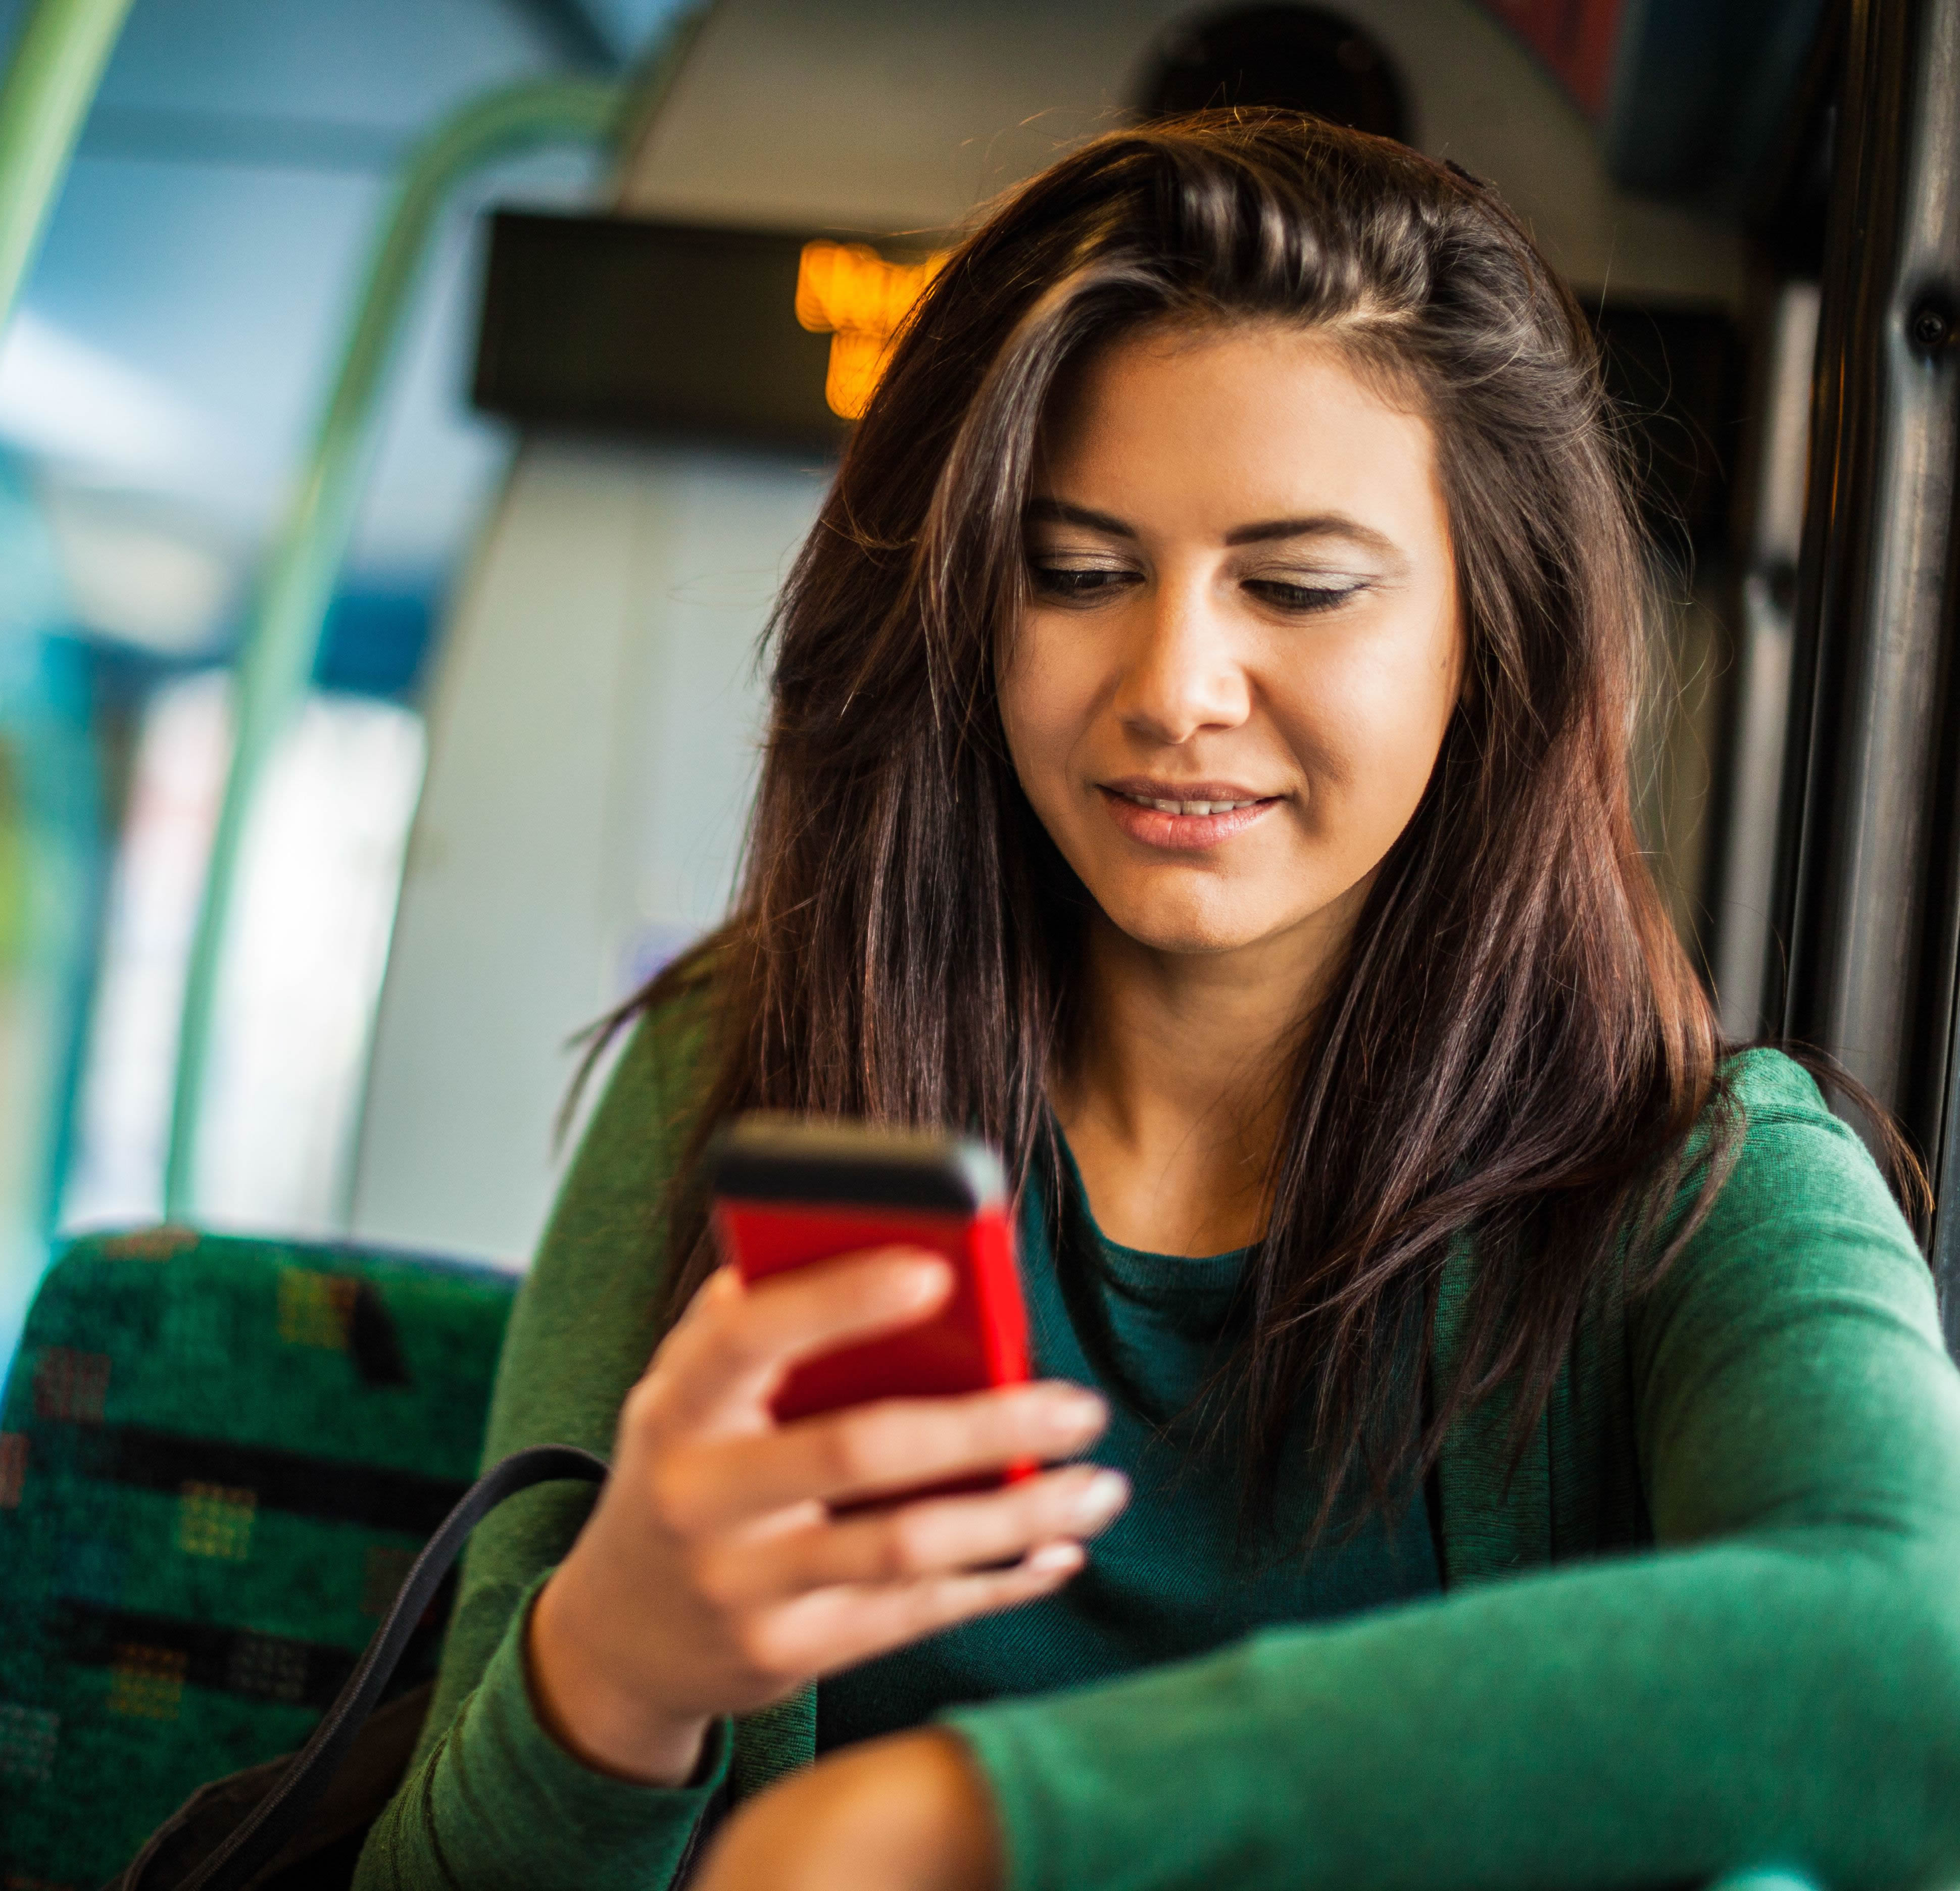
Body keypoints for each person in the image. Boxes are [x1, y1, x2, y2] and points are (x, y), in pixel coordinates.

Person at [354, 114, 1960, 1891]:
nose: (1175, 684)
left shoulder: (1704, 1193)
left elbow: (1912, 1675)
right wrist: (615, 1676)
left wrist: (978, 1820)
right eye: (1078, 573)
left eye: (1299, 588)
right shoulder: (747, 1060)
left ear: (1487, 637)